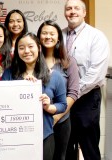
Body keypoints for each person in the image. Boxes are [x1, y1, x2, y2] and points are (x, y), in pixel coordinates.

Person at [2, 32, 67, 160]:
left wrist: (49, 107)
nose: (26, 51)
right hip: (14, 136)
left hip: (44, 136)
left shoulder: (54, 76)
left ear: (39, 48)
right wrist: (22, 87)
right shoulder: (9, 74)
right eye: (21, 47)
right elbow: (3, 102)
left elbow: (62, 105)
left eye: (31, 46)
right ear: (17, 51)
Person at [62, 0, 110, 159]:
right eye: (69, 9)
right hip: (62, 98)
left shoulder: (96, 36)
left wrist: (73, 93)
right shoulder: (59, 35)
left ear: (84, 13)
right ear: (65, 13)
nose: (72, 12)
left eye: (77, 8)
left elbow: (96, 73)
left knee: (89, 147)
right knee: (66, 145)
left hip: (87, 98)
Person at [37, 20, 80, 160]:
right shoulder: (34, 60)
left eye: (52, 33)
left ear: (58, 38)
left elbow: (73, 93)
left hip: (61, 120)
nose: (48, 37)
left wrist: (56, 116)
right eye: (44, 33)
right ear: (38, 37)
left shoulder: (68, 61)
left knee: (60, 156)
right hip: (38, 121)